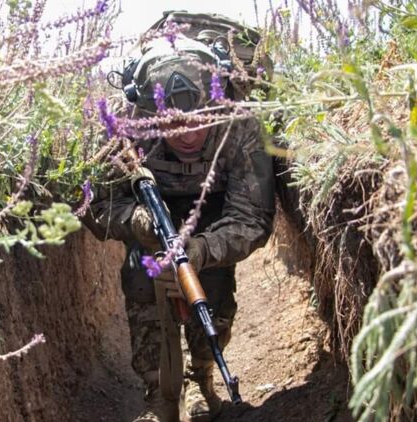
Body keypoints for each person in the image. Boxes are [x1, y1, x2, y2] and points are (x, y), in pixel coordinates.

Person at [83, 35, 275, 422]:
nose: (188, 135)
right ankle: (158, 393)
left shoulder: (239, 124)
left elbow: (253, 218)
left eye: (200, 121)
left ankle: (202, 377)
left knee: (213, 287)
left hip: (213, 218)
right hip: (149, 222)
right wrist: (135, 221)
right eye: (173, 124)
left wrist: (202, 250)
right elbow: (92, 204)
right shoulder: (121, 126)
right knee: (141, 277)